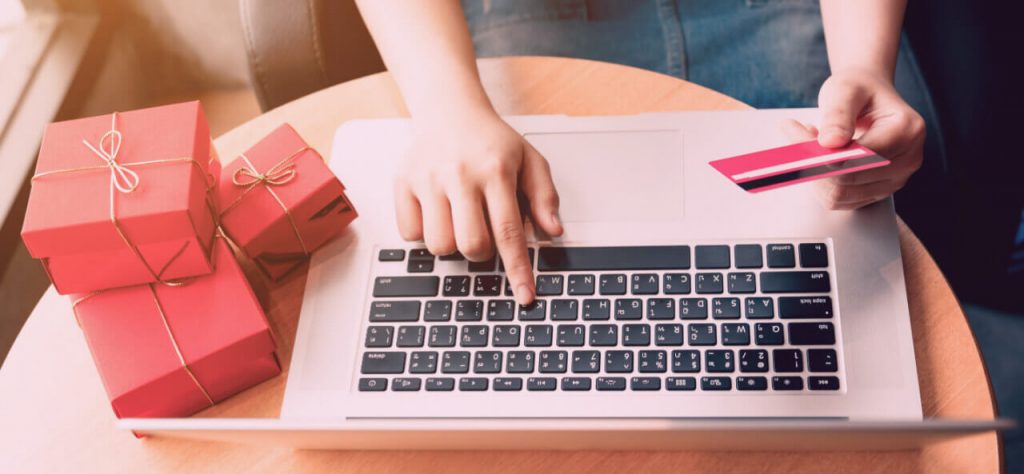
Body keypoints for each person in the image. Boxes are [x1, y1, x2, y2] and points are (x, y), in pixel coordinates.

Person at [354, 0, 929, 306]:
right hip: (535, 14)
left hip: (768, 11)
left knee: (827, 258)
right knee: (520, 258)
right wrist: (445, 105)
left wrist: (863, 64)